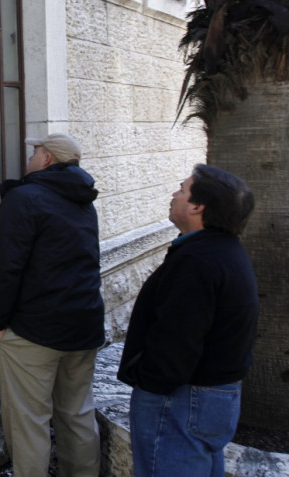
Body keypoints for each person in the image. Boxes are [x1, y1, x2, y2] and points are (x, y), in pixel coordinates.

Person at [117, 164, 258, 477]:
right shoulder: (220, 251)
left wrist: (151, 382)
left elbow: (178, 340)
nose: (173, 194)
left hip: (182, 400)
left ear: (197, 206)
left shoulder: (199, 261)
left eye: (182, 189)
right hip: (206, 397)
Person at [0, 133, 104, 477]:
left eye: (35, 152)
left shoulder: (25, 198)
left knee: (28, 423)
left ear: (48, 158)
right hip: (84, 325)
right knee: (77, 414)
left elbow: (5, 267)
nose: (30, 158)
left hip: (35, 332)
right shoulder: (83, 200)